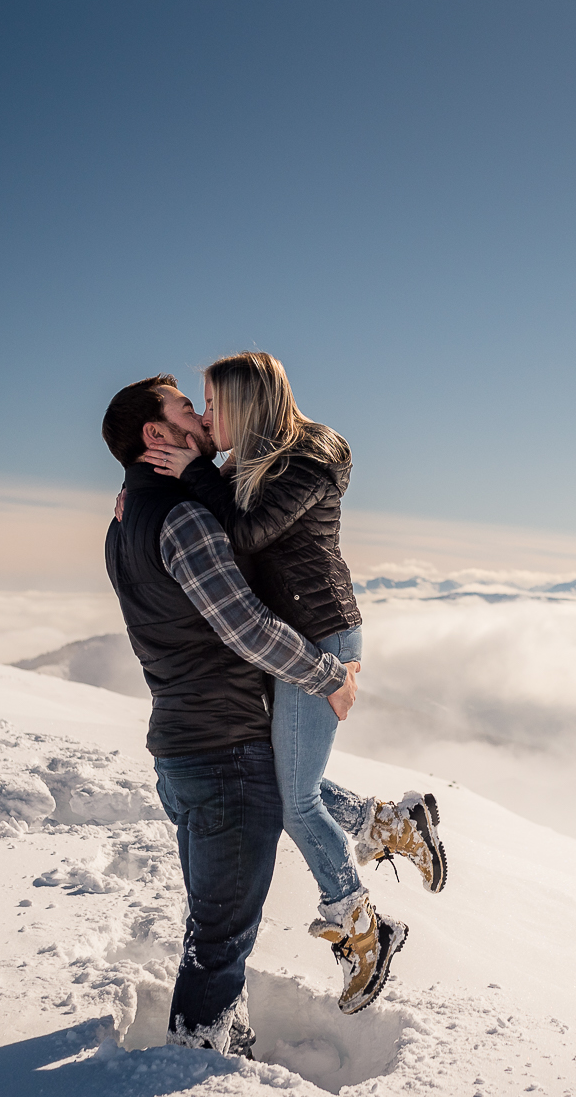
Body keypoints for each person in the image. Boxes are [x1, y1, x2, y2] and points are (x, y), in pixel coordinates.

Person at [140, 352, 447, 1017]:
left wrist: (191, 474)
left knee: (296, 798)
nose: (207, 416)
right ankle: (391, 824)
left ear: (247, 406)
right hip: (297, 644)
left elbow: (244, 531)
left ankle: (363, 927)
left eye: (214, 404)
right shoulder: (244, 466)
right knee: (284, 781)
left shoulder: (305, 462)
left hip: (321, 640)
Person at [102, 373, 374, 1052]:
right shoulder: (183, 518)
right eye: (184, 406)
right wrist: (325, 673)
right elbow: (245, 625)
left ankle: (229, 1037)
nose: (199, 414)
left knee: (213, 925)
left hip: (180, 750)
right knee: (221, 938)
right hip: (224, 756)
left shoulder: (124, 520)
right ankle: (195, 1066)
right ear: (155, 434)